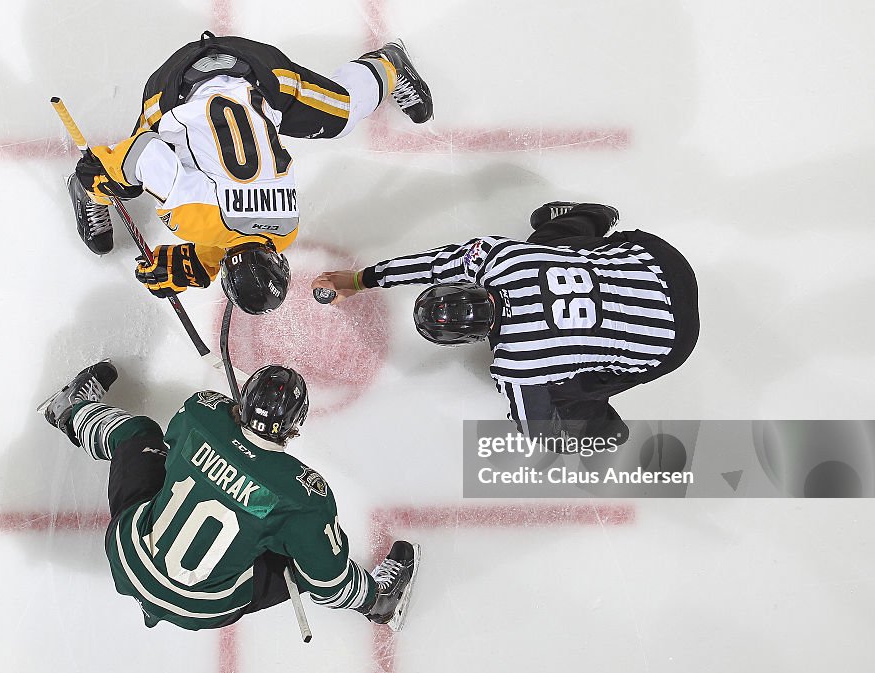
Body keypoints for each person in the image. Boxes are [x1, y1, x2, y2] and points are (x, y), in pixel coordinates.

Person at [66, 31, 433, 314]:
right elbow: (146, 153)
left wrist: (202, 263)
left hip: (256, 71)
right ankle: (91, 194)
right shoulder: (194, 220)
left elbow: (232, 225)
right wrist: (103, 179)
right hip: (184, 86)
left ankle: (386, 65)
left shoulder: (285, 230)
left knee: (343, 113)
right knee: (119, 170)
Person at [38, 360, 419, 631]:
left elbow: (172, 451)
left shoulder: (202, 411)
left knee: (136, 435)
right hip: (203, 608)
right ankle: (379, 604)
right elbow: (328, 583)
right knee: (307, 562)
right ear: (296, 425)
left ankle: (69, 409)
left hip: (129, 556)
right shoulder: (303, 494)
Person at [311, 202, 699, 446]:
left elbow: (539, 431)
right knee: (546, 249)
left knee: (569, 392)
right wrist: (360, 280)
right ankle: (586, 218)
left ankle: (602, 431)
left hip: (671, 341)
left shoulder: (517, 366)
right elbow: (432, 263)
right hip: (660, 261)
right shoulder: (499, 258)